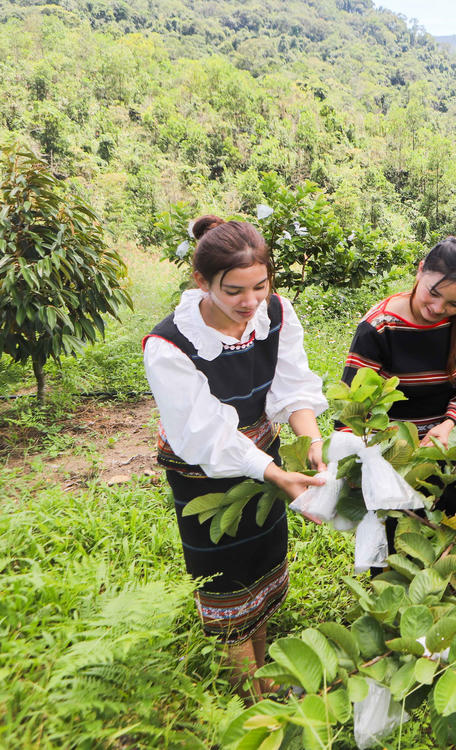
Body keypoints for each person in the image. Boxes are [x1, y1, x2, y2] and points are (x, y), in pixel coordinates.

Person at [143, 216, 328, 697]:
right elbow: (205, 435)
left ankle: (261, 674)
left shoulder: (276, 315)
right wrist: (274, 474)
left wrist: (311, 439)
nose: (250, 303)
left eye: (260, 287)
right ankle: (249, 702)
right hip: (203, 472)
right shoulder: (170, 345)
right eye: (234, 291)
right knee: (226, 576)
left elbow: (293, 388)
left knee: (263, 561)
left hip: (265, 455)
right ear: (201, 282)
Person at [340, 237, 456, 526]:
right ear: (420, 270)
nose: (437, 308)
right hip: (391, 460)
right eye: (433, 293)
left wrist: (448, 426)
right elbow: (352, 409)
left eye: (454, 303)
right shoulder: (380, 327)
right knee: (398, 548)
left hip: (448, 451)